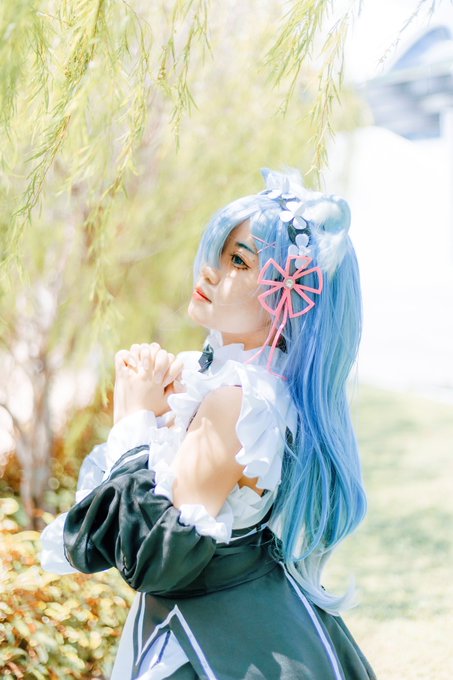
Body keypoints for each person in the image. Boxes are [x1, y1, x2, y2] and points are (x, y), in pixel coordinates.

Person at [40, 168, 376, 680]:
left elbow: (160, 558)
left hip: (212, 647)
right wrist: (161, 418)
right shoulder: (246, 389)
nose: (210, 271)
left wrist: (134, 422)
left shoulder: (237, 402)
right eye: (218, 252)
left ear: (288, 298)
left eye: (239, 260)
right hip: (259, 627)